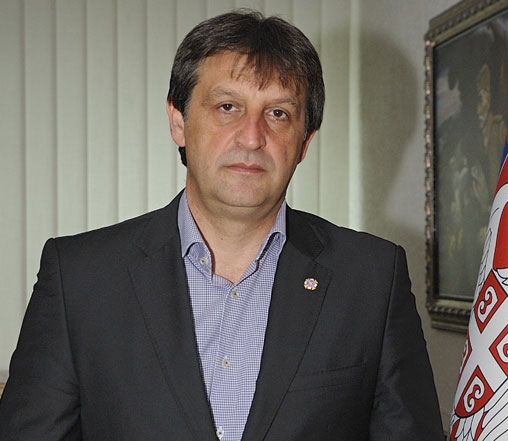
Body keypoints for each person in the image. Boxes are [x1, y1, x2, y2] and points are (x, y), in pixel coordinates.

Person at [0, 10, 443, 441]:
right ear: (179, 122)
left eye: (278, 113)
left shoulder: (372, 278)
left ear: (304, 142)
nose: (252, 137)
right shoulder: (80, 278)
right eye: (228, 106)